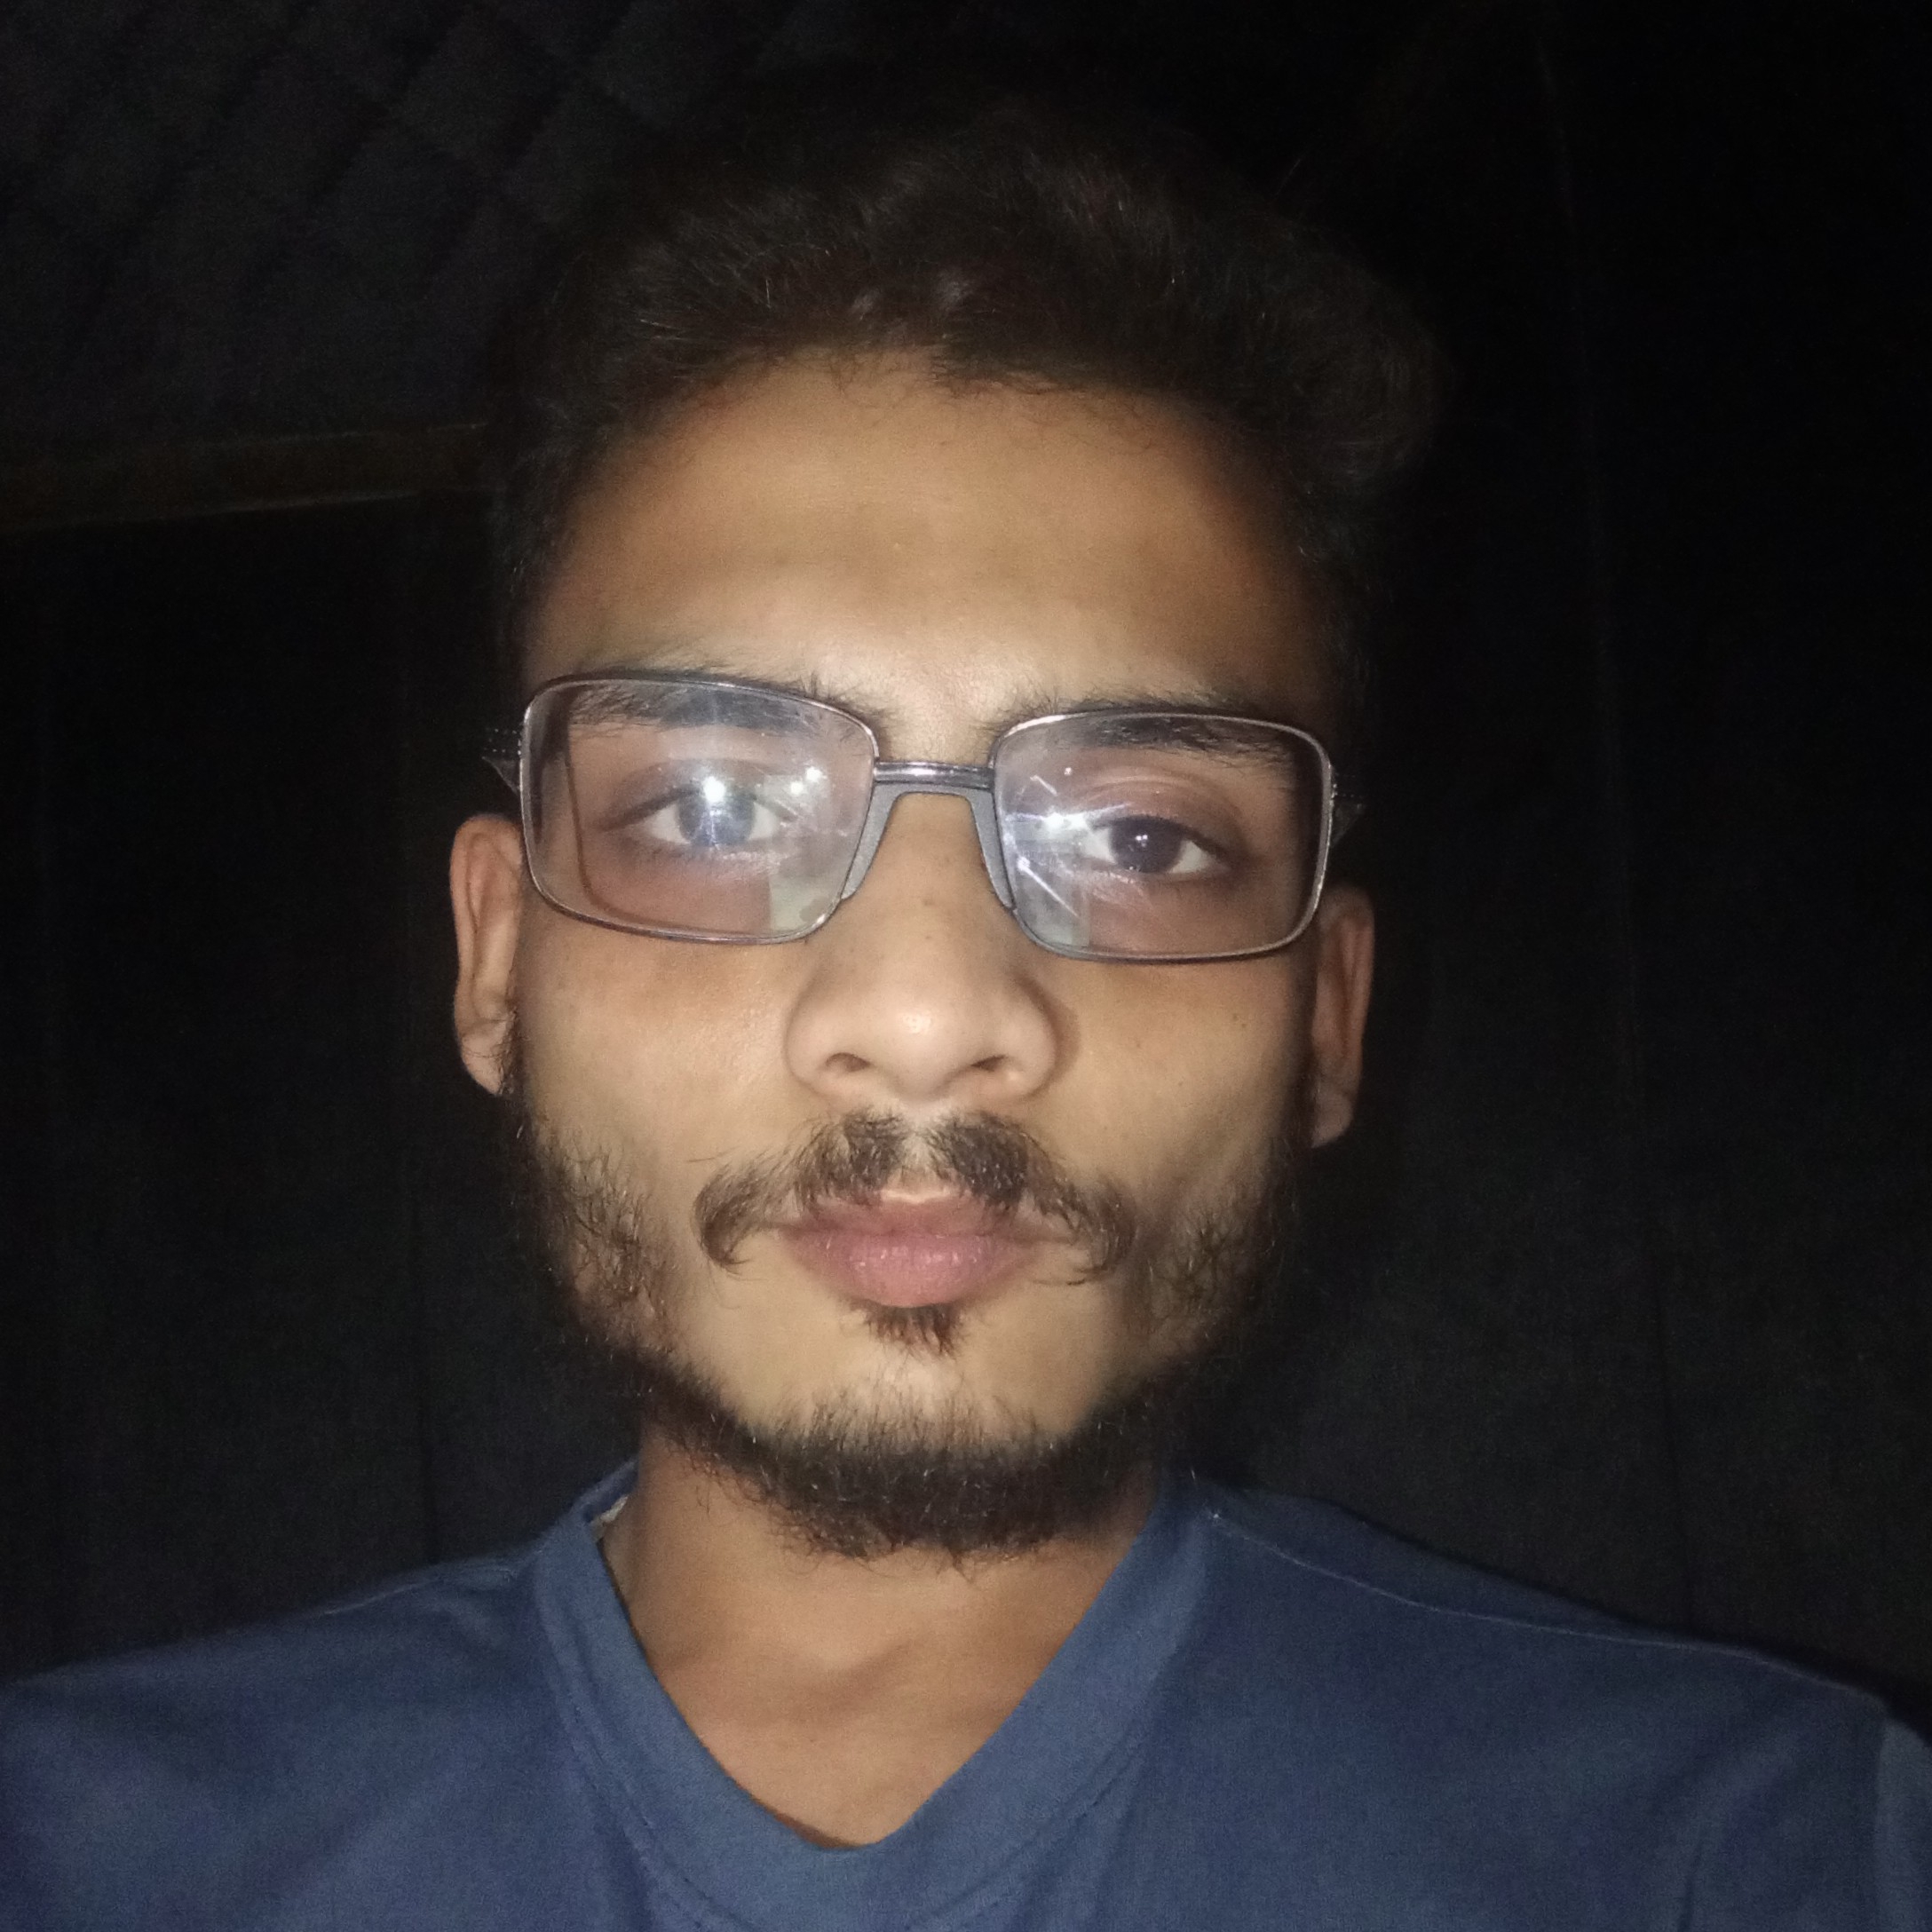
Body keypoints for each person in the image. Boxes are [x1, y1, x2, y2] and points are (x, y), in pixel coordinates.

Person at [3, 67, 1927, 1932]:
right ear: (497, 957)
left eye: (1142, 837)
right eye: (711, 809)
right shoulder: (69, 1856)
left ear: (1328, 1018)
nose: (927, 1014)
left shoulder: (1746, 1853)